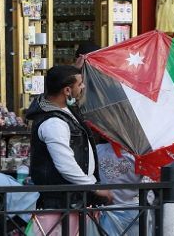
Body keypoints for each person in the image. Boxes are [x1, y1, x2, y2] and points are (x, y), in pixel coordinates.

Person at [27, 65, 112, 208]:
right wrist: (93, 187)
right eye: (79, 84)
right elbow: (66, 164)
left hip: (76, 197)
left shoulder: (64, 110)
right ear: (67, 90)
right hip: (63, 201)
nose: (83, 87)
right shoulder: (53, 122)